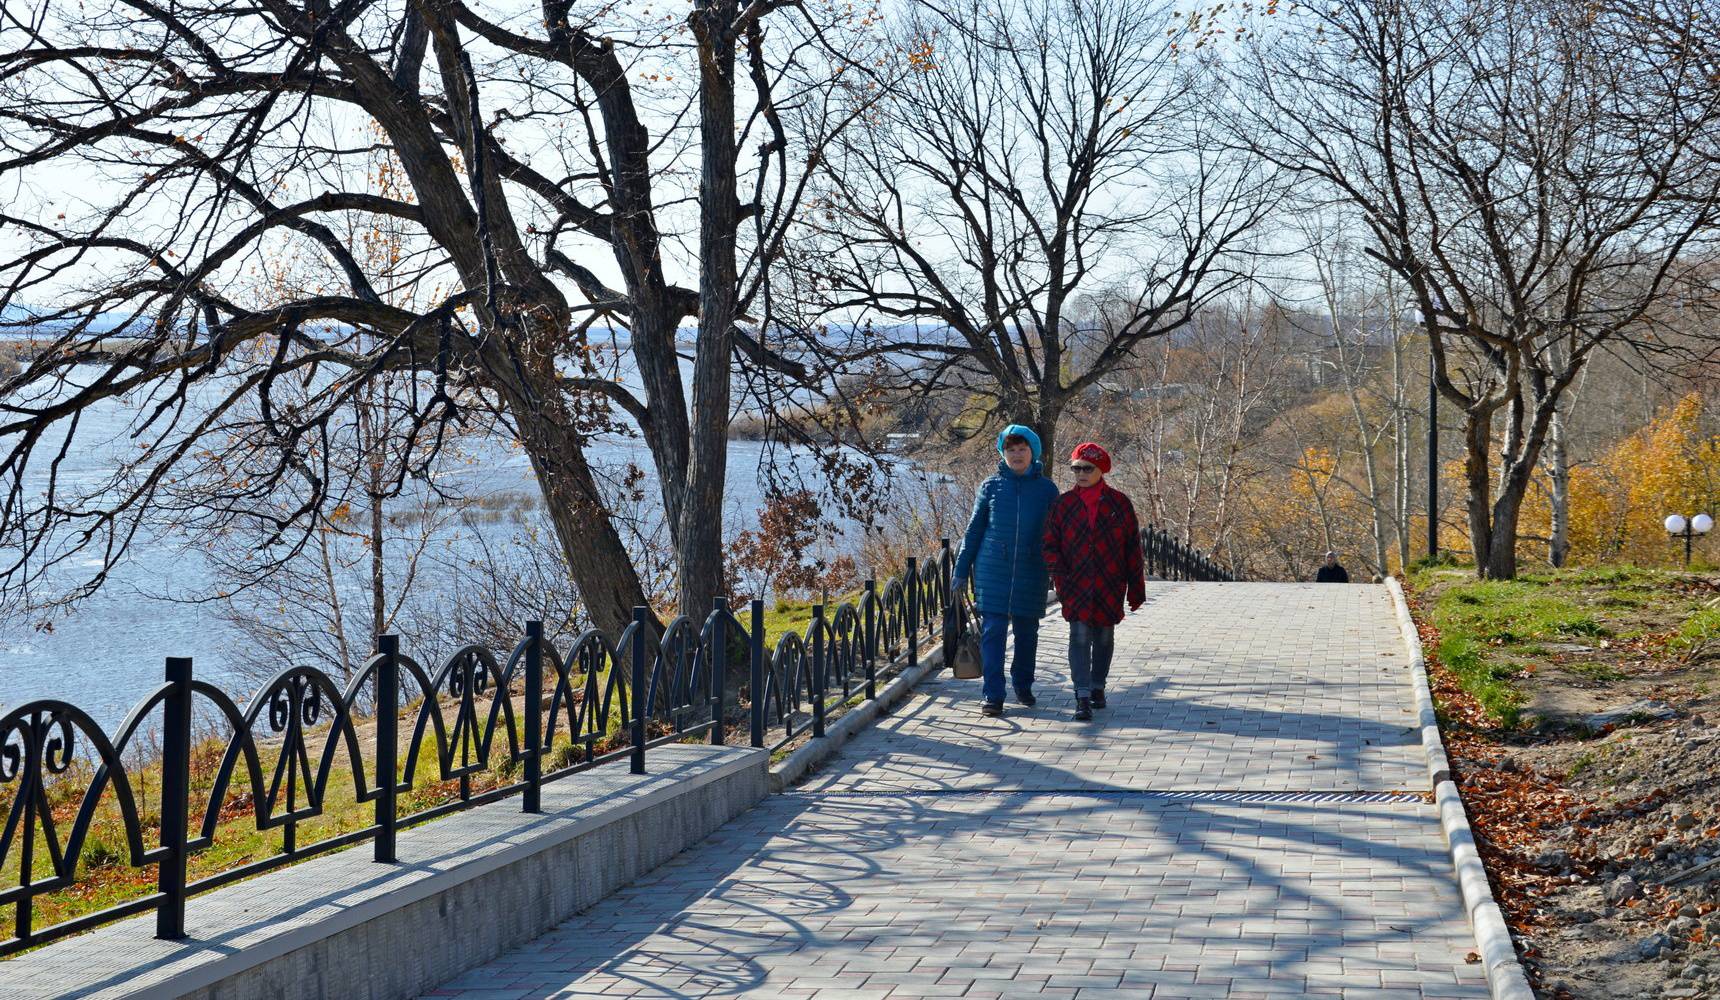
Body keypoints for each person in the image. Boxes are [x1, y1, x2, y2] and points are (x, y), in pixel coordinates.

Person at [951, 425, 1061, 717]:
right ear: (1003, 453)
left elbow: (1058, 533)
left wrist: (1061, 571)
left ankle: (1023, 685)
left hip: (1031, 569)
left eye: (1022, 449)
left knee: (1027, 632)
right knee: (993, 632)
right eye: (1010, 450)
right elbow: (974, 531)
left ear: (1033, 452)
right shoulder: (990, 486)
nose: (1016, 455)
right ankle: (993, 694)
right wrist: (961, 570)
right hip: (992, 570)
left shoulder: (1047, 490)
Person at [1042, 442, 1145, 721]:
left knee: (1103, 637)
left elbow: (1132, 548)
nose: (1081, 474)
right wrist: (1059, 573)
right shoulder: (1063, 504)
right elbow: (1049, 543)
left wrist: (1136, 589)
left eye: (1087, 468)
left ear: (1101, 470)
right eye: (1076, 468)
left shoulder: (1119, 503)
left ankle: (1098, 686)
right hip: (1074, 584)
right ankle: (1082, 695)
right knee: (1078, 637)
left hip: (1109, 583)